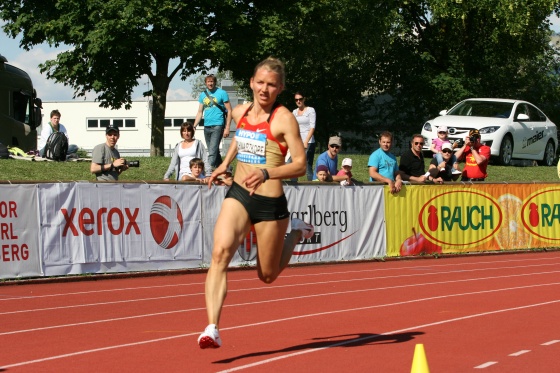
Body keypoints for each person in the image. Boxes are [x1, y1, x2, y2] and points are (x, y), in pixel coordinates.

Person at [198, 57, 314, 349]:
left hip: (269, 204)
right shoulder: (240, 111)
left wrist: (267, 172)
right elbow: (241, 137)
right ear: (251, 83)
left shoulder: (284, 118)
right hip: (239, 193)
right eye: (260, 82)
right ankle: (212, 327)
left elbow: (300, 164)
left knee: (267, 275)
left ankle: (297, 230)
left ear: (280, 89)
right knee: (220, 252)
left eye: (271, 85)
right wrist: (225, 162)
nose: (264, 89)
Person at [193, 74, 233, 170]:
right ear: (206, 83)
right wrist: (194, 126)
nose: (210, 83)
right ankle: (227, 169)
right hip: (207, 126)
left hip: (218, 125)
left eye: (212, 81)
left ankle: (208, 171)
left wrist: (227, 128)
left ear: (215, 82)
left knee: (212, 152)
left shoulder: (222, 93)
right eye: (208, 82)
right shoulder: (203, 95)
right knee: (214, 151)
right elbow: (199, 112)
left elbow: (230, 110)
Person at [292, 92, 316, 180]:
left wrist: (306, 141)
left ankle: (311, 186)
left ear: (304, 99)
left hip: (308, 142)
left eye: (300, 99)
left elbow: (312, 127)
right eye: (296, 100)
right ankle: (294, 186)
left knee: (306, 165)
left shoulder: (310, 110)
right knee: (294, 164)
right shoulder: (294, 112)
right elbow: (292, 127)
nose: (298, 101)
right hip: (298, 142)